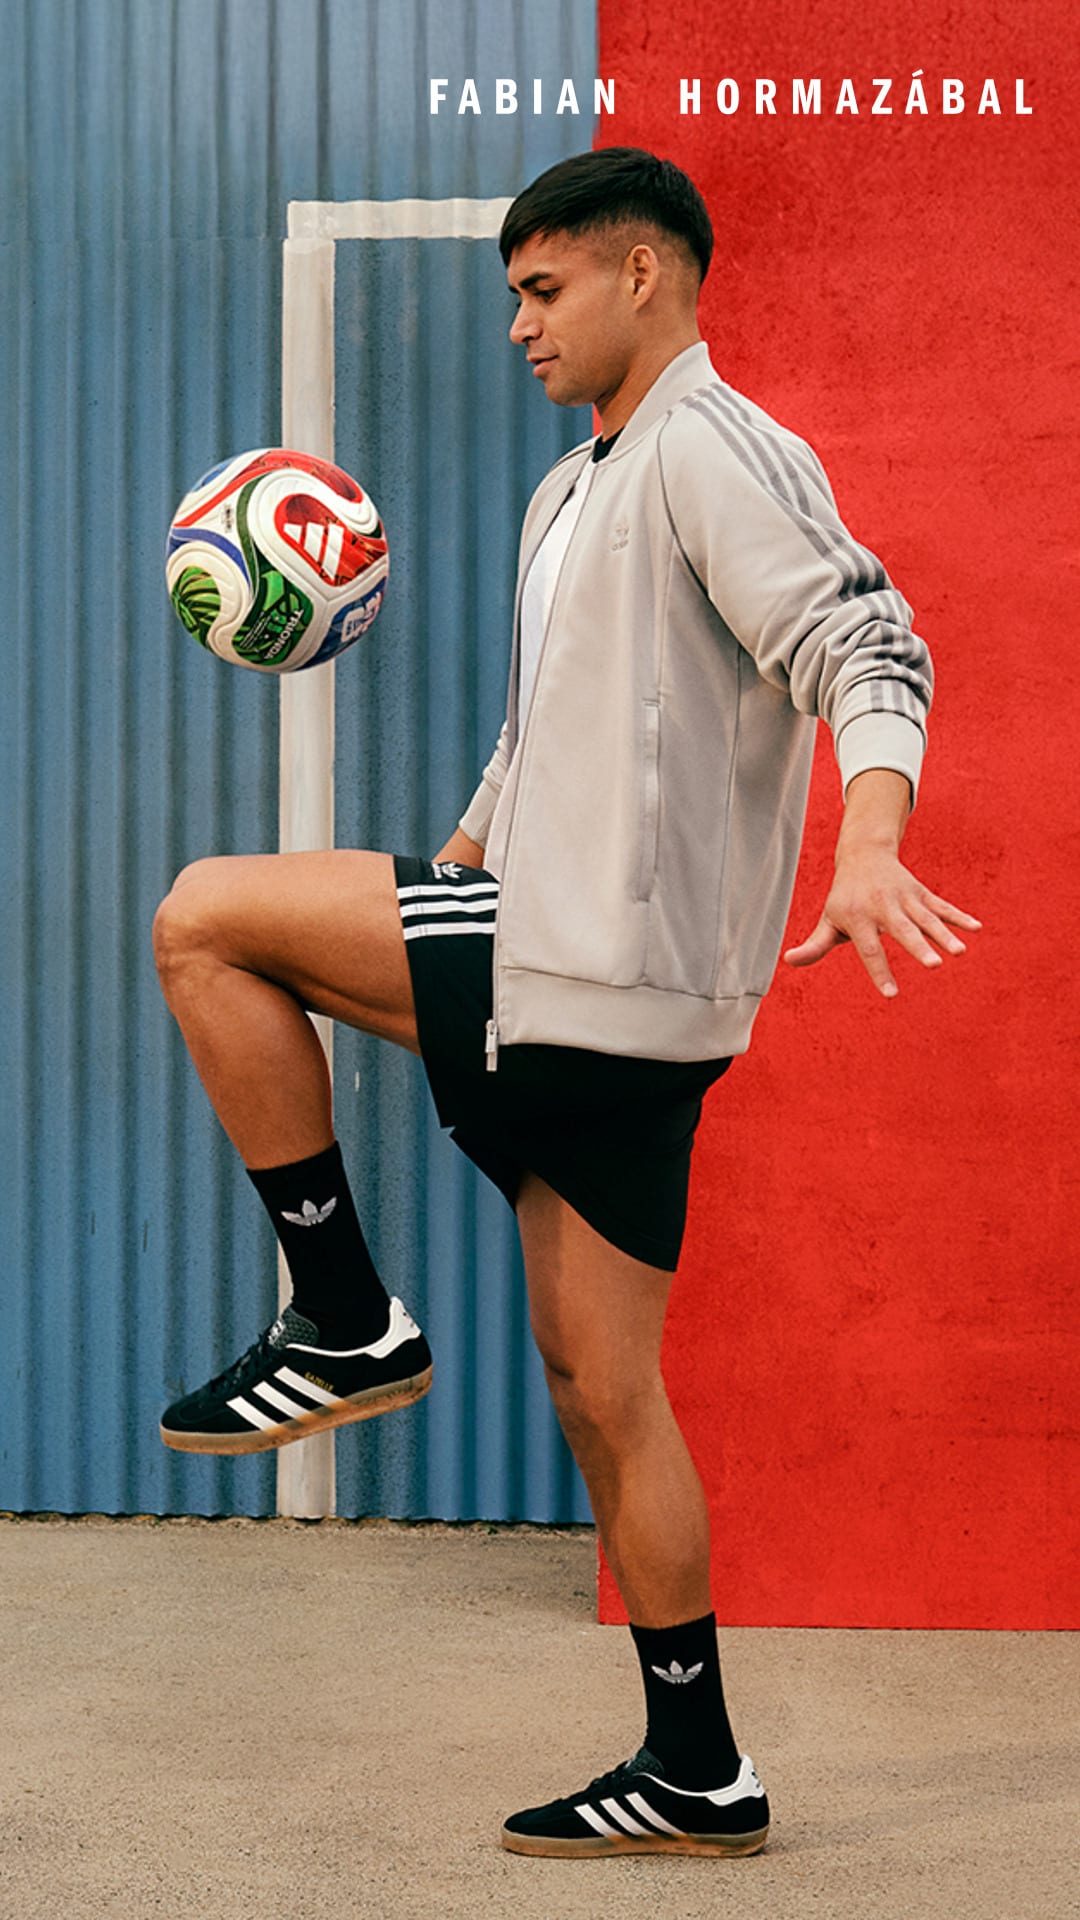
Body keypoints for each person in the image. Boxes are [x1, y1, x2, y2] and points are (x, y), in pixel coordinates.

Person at [153, 147, 979, 1859]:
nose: (520, 325)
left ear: (646, 279)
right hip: (606, 996)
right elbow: (539, 746)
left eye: (544, 291)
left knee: (206, 919)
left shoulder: (714, 446)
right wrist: (448, 860)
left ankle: (339, 1315)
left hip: (589, 963)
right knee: (605, 1390)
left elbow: (867, 645)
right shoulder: (567, 493)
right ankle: (700, 1769)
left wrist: (871, 842)